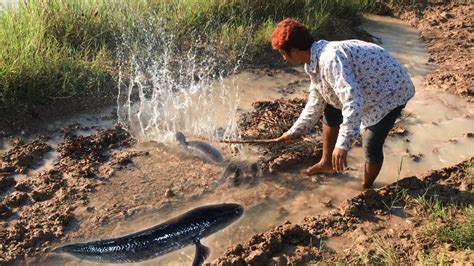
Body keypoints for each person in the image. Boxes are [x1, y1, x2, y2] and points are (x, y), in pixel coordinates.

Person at [268, 18, 415, 188]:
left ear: (294, 50)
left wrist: (342, 145)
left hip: (391, 90)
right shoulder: (314, 60)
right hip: (369, 84)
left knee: (371, 143)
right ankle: (327, 163)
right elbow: (315, 102)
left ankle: (366, 188)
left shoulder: (329, 59)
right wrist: (294, 132)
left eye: (283, 53)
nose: (284, 58)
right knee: (330, 108)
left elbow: (353, 100)